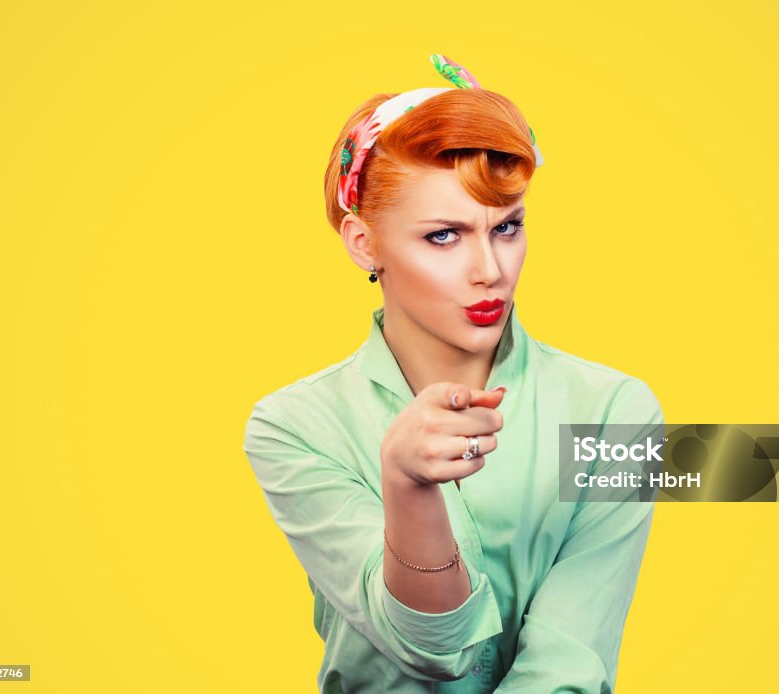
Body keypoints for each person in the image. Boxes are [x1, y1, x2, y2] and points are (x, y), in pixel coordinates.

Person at [243, 54, 664, 693]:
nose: (490, 268)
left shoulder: (614, 412)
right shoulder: (294, 426)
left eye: (507, 228)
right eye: (444, 235)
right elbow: (428, 649)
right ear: (364, 243)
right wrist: (407, 483)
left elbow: (571, 658)